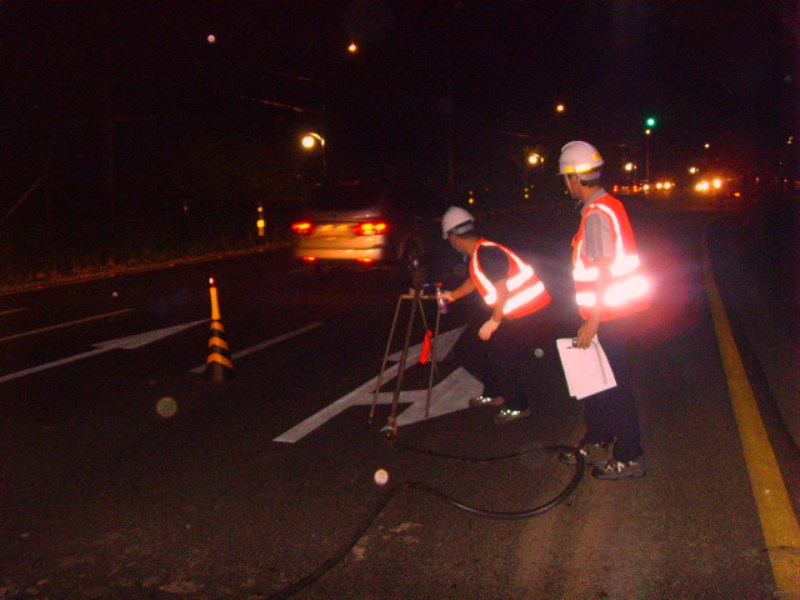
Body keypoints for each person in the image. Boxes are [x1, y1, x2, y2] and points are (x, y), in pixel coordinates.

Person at [557, 140, 651, 480]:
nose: (566, 186)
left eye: (566, 179)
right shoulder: (606, 206)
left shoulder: (597, 215)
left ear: (574, 179)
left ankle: (630, 455)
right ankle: (597, 437)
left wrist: (593, 320)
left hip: (610, 316)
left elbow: (602, 269)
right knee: (596, 383)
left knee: (614, 386)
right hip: (609, 314)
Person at [439, 206, 554, 424]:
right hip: (518, 312)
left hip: (530, 312)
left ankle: (518, 405)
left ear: (453, 237)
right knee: (493, 350)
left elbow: (502, 288)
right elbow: (475, 280)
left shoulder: (486, 253)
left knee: (503, 357)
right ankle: (494, 394)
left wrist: (494, 320)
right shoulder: (478, 254)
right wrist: (452, 295)